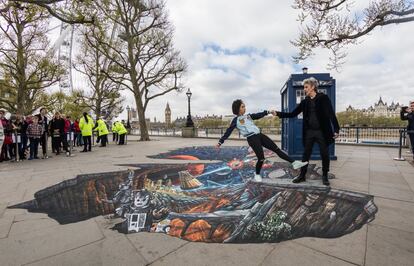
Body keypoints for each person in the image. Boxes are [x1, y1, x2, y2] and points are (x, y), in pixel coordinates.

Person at [216, 100, 308, 182]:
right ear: (237, 109)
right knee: (261, 158)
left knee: (277, 149)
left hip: (260, 135)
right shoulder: (235, 120)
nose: (245, 108)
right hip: (252, 138)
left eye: (244, 106)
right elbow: (228, 132)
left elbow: (258, 115)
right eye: (242, 106)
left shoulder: (248, 116)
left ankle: (294, 163)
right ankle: (257, 174)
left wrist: (267, 112)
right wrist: (220, 141)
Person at [276, 77, 340, 186]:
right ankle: (302, 175)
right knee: (305, 155)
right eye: (304, 87)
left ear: (313, 87)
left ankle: (325, 175)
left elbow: (330, 113)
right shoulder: (305, 102)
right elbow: (293, 114)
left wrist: (336, 129)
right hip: (309, 132)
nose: (304, 89)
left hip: (322, 132)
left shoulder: (323, 98)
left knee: (325, 154)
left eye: (306, 87)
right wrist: (278, 113)